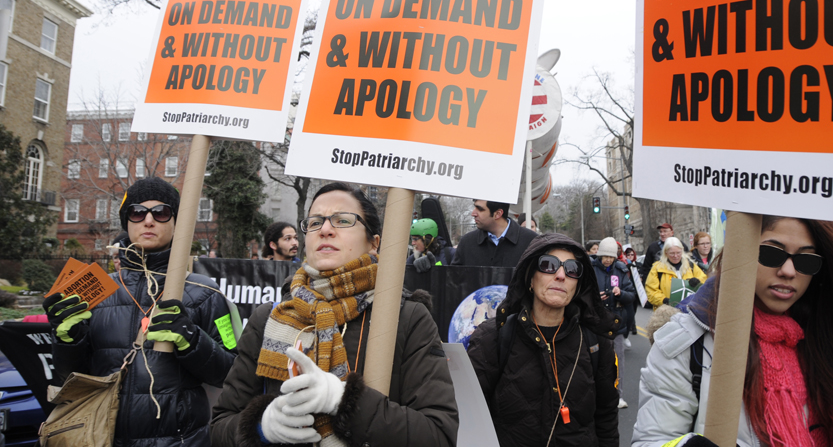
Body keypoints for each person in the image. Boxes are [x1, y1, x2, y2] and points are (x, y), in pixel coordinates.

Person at [210, 182, 457, 447]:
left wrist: (343, 400)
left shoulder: (408, 318)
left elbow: (438, 435)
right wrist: (261, 426)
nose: (325, 229)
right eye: (315, 223)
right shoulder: (269, 318)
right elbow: (219, 428)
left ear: (374, 243)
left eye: (342, 220)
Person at [633, 216, 833, 447]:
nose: (788, 271)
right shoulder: (685, 344)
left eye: (806, 260)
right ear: (741, 250)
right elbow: (652, 439)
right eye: (772, 254)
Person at [43, 177, 236, 447]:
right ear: (127, 221)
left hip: (181, 441)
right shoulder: (98, 291)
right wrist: (67, 340)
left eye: (161, 212)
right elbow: (70, 377)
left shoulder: (205, 292)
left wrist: (192, 339)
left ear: (175, 221)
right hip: (103, 437)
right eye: (137, 212)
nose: (148, 220)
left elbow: (230, 373)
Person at [467, 233, 619, 447]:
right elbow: (470, 417)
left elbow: (606, 418)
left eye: (572, 269)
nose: (560, 275)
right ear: (530, 277)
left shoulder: (596, 342)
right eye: (548, 265)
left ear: (578, 285)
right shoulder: (493, 337)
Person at [590, 237, 636, 409]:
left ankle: (618, 396)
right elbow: (582, 293)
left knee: (618, 361)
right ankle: (595, 395)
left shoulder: (621, 270)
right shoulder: (591, 269)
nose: (608, 260)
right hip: (595, 322)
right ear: (599, 255)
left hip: (616, 322)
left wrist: (620, 293)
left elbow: (632, 296)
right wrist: (596, 297)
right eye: (605, 256)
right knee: (594, 361)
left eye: (611, 257)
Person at [450, 200, 537, 267]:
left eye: (480, 209)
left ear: (498, 214)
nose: (473, 213)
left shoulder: (531, 242)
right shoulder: (467, 243)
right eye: (475, 207)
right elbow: (454, 282)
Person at [645, 237, 707, 309]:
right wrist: (664, 300)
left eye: (678, 253)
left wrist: (697, 281)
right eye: (672, 253)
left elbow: (704, 279)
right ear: (666, 253)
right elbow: (651, 291)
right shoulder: (657, 269)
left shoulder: (690, 265)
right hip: (667, 311)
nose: (675, 256)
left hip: (689, 310)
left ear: (682, 251)